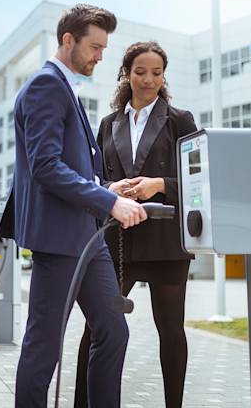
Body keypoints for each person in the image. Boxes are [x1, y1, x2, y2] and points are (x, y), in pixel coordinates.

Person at [0, 4, 148, 407]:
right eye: (95, 47)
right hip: (60, 240)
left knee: (113, 331)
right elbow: (46, 166)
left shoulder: (66, 88)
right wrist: (108, 202)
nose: (101, 56)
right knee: (44, 348)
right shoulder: (46, 85)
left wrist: (106, 187)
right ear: (68, 40)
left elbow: (70, 167)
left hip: (88, 239)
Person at [74, 41, 198, 408]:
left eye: (157, 73)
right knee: (97, 329)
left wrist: (157, 185)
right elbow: (92, 179)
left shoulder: (180, 120)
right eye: (140, 72)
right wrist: (111, 189)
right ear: (126, 74)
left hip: (166, 242)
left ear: (164, 76)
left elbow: (198, 182)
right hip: (118, 243)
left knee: (171, 332)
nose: (149, 80)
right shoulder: (108, 124)